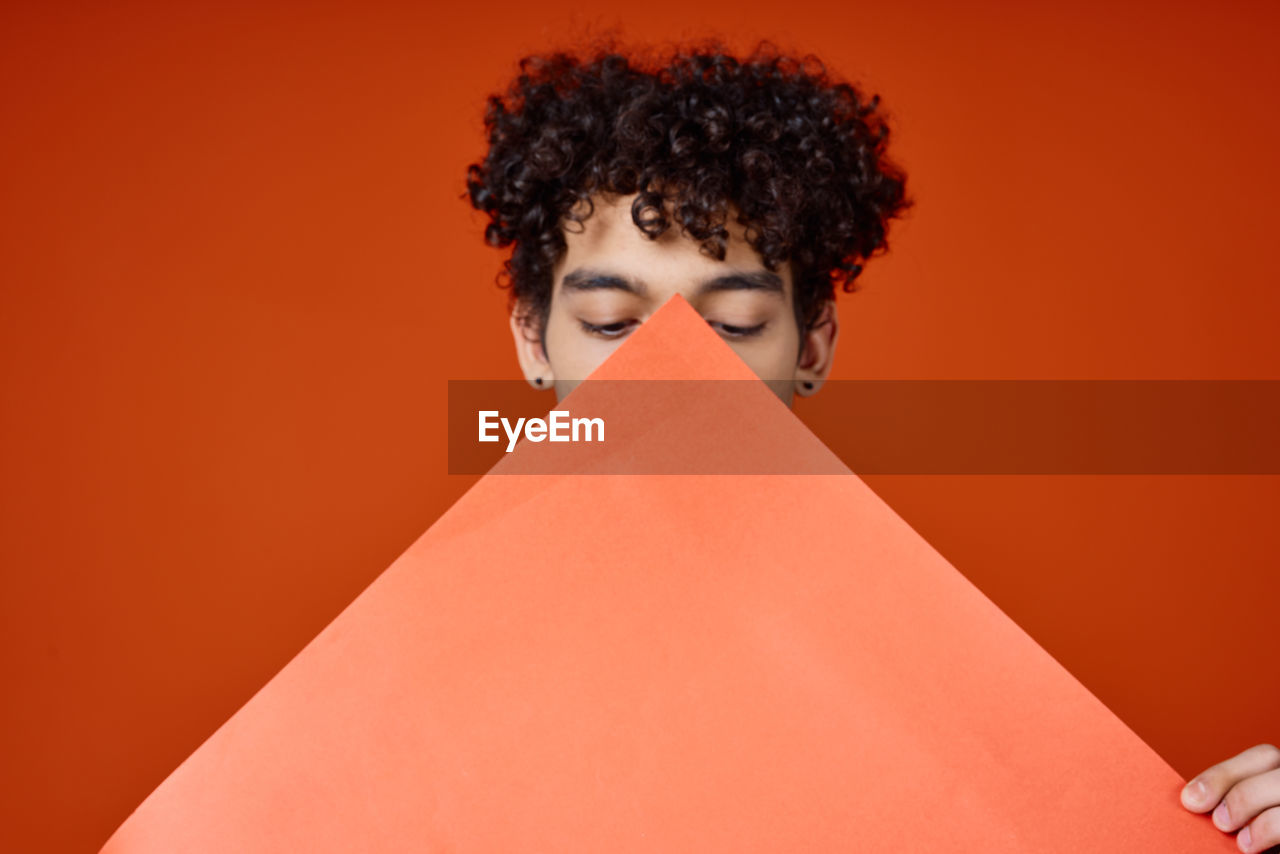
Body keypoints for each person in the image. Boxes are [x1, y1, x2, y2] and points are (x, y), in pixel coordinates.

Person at [465, 40, 1280, 852]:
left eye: (734, 325)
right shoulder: (415, 679)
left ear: (811, 348)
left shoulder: (959, 692)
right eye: (610, 322)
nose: (670, 373)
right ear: (534, 343)